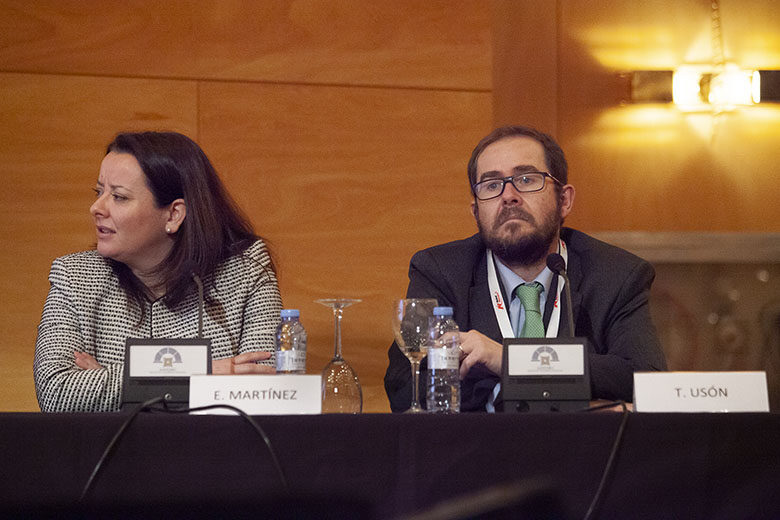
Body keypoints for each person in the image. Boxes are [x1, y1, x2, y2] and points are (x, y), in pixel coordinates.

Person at [384, 125, 667, 412]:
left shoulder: (616, 274)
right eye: (491, 185)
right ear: (476, 211)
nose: (508, 195)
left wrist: (507, 362)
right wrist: (553, 389)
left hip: (579, 442)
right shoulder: (440, 271)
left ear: (564, 200)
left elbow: (645, 378)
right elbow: (404, 385)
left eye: (526, 179)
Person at [34, 131, 282, 412]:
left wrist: (112, 380)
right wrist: (204, 375)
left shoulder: (245, 272)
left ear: (174, 215)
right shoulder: (75, 276)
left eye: (119, 196)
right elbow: (57, 393)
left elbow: (265, 391)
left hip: (214, 442)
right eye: (99, 192)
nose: (96, 208)